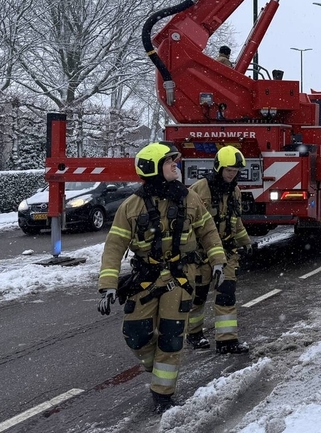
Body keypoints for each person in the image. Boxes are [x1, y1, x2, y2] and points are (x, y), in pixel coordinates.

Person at [97, 142, 226, 413]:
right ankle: (155, 366)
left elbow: (208, 232)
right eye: (170, 163)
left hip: (180, 277)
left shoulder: (190, 199)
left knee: (171, 337)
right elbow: (114, 246)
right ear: (154, 168)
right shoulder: (130, 207)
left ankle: (163, 395)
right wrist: (107, 286)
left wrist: (218, 262)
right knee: (135, 334)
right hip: (145, 278)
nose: (176, 167)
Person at [185, 146, 253, 355]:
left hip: (227, 252)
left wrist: (245, 242)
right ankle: (194, 334)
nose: (232, 174)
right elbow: (188, 223)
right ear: (218, 168)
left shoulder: (235, 191)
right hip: (201, 255)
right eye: (228, 170)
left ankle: (227, 341)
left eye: (235, 171)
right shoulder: (198, 190)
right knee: (198, 296)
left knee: (226, 294)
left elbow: (235, 220)